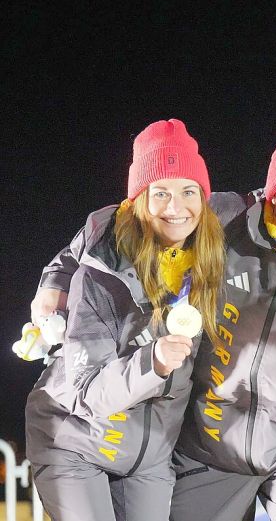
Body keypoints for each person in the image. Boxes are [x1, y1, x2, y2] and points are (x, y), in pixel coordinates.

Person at [32, 130, 276, 521]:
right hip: (210, 446)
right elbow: (118, 218)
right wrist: (56, 280)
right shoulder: (231, 218)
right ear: (273, 191)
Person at [25, 119, 225, 521]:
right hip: (75, 440)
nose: (176, 207)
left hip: (148, 458)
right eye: (161, 193)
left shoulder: (212, 251)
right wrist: (152, 363)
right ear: (137, 201)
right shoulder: (101, 272)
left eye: (189, 192)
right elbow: (86, 393)